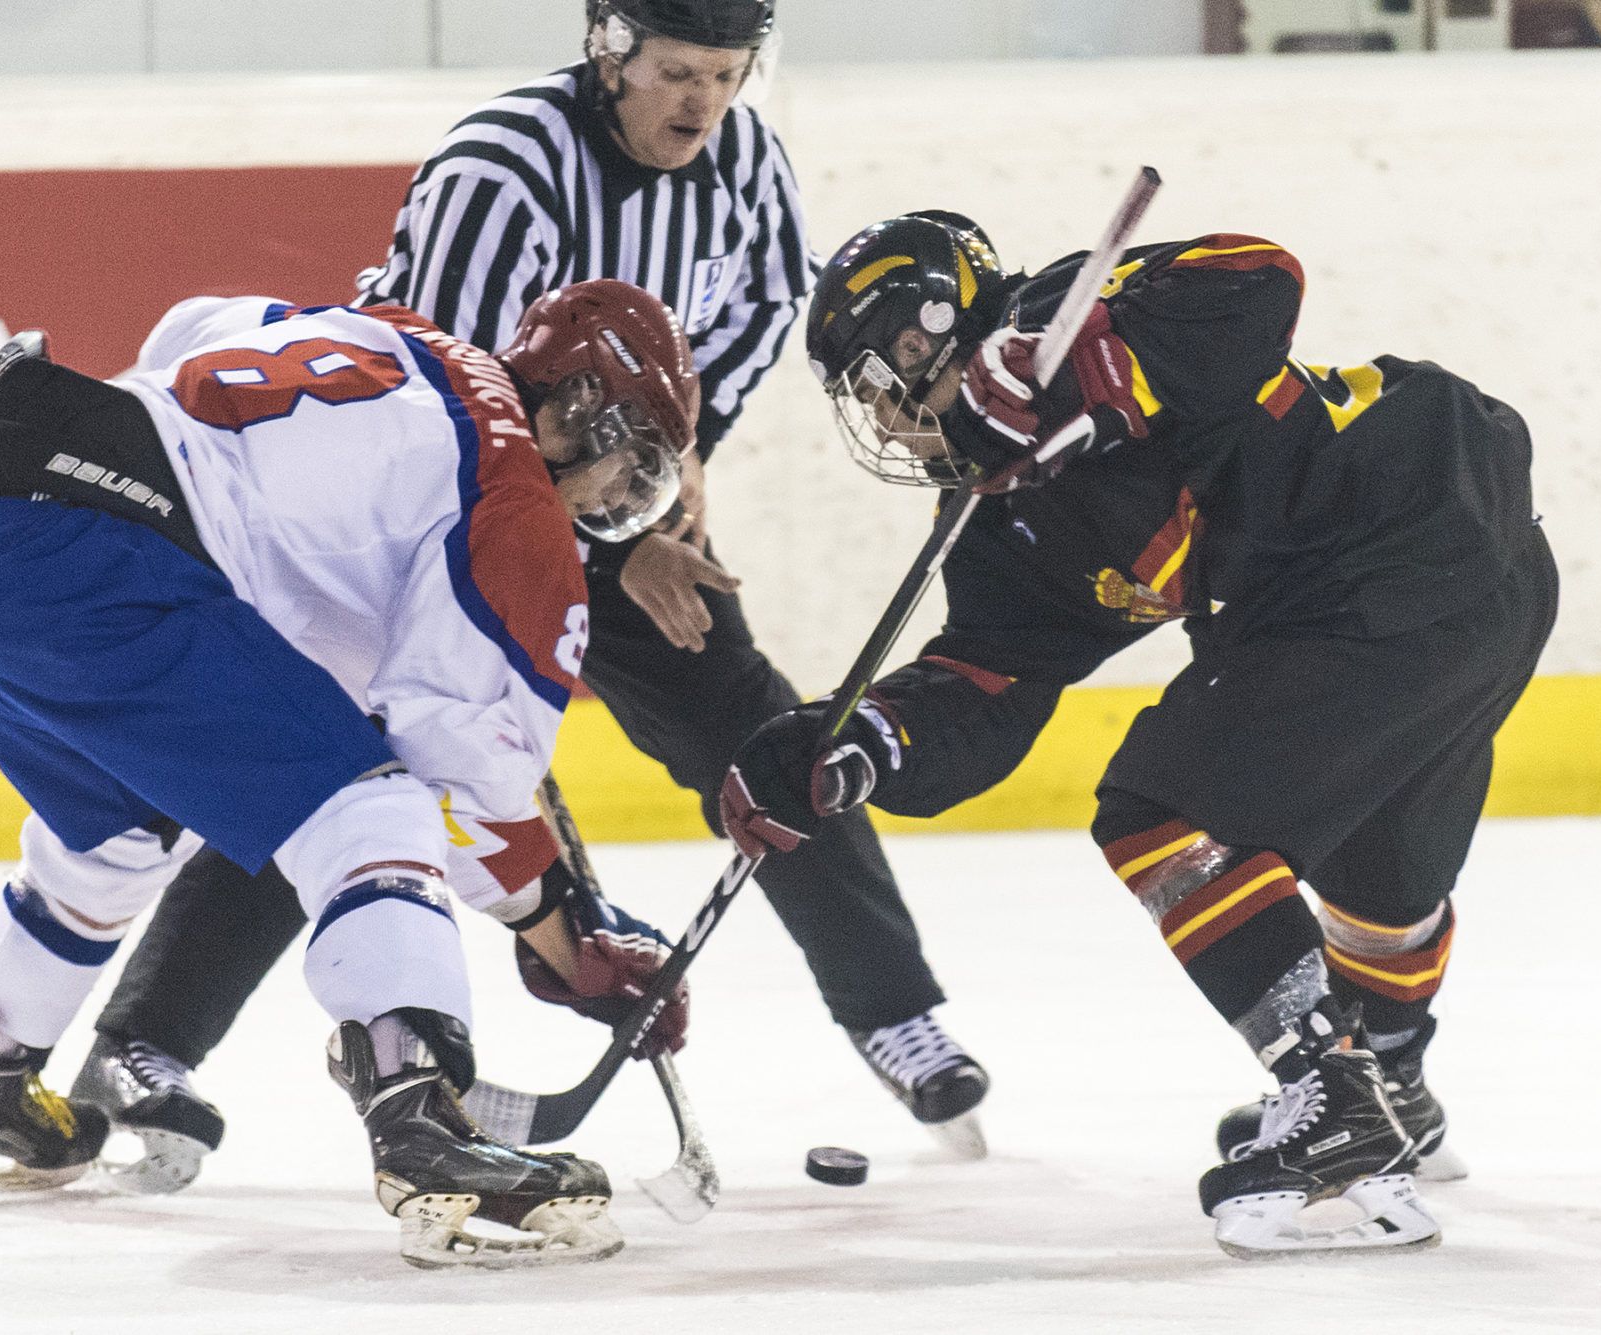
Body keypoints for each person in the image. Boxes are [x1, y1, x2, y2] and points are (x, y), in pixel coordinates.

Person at [74, 0, 989, 1184]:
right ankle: (141, 1046)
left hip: (617, 500)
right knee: (348, 773)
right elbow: (463, 417)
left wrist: (664, 480)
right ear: (610, 53)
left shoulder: (745, 153)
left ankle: (891, 1012)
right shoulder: (500, 170)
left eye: (723, 74)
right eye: (674, 71)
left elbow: (764, 305)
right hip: (432, 519)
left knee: (766, 740)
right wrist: (607, 550)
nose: (700, 102)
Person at [720, 213, 1558, 1257]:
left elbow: (1257, 277)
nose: (884, 421)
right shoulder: (1005, 522)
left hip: (1394, 543)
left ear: (925, 333)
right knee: (1372, 882)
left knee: (1159, 813)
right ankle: (1386, 1084)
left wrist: (1077, 376)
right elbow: (990, 675)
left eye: (880, 382)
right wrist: (856, 743)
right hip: (1440, 590)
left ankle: (1330, 1097)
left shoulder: (1061, 318)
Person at [0, 279, 702, 1270]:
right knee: (375, 812)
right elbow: (459, 779)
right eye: (629, 456)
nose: (620, 495)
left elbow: (191, 324)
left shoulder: (396, 335)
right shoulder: (514, 502)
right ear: (569, 407)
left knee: (124, 830)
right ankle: (423, 1126)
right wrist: (567, 937)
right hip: (83, 564)